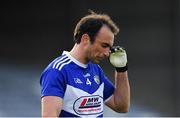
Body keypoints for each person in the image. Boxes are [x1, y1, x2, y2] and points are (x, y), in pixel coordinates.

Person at [40, 11, 130, 117]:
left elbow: (121, 106)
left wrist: (121, 69)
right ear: (85, 39)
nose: (107, 53)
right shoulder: (57, 71)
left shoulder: (96, 70)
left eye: (110, 48)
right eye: (104, 45)